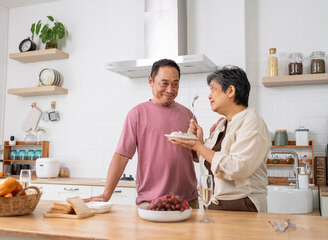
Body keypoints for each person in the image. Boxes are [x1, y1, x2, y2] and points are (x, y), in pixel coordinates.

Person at [84, 59, 199, 208]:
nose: (170, 89)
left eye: (175, 84)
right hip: (150, 201)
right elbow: (121, 156)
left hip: (188, 200)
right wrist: (106, 195)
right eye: (164, 83)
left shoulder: (188, 114)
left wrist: (201, 140)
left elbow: (196, 157)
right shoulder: (137, 114)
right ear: (150, 81)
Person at [169, 66, 271, 212]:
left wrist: (198, 146)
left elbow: (236, 169)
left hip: (242, 206)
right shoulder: (222, 125)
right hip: (215, 204)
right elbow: (209, 162)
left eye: (213, 89)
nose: (209, 96)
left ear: (230, 91)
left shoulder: (252, 122)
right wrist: (199, 142)